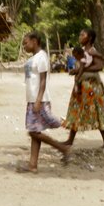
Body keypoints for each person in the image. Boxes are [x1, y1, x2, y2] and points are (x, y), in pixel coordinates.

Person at [20, 31, 69, 172]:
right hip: (32, 100)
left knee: (33, 132)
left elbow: (43, 80)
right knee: (35, 131)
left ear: (35, 41)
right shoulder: (33, 58)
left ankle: (63, 148)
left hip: (39, 100)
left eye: (26, 43)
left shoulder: (41, 57)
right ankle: (32, 165)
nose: (24, 46)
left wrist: (38, 100)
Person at [62, 28, 104, 151]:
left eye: (82, 34)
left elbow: (99, 66)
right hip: (82, 87)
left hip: (92, 88)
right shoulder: (82, 51)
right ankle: (70, 140)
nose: (80, 36)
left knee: (97, 113)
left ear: (89, 38)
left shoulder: (92, 51)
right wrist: (77, 71)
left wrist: (81, 70)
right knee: (76, 111)